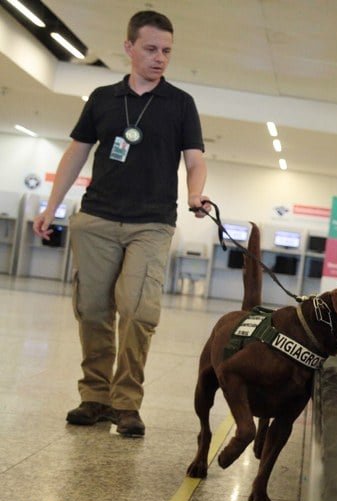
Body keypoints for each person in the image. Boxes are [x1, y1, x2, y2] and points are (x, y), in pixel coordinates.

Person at [33, 10, 211, 437]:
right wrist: (51, 206)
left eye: (167, 51)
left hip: (151, 223)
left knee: (137, 310)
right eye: (150, 49)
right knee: (92, 309)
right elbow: (76, 153)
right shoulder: (102, 99)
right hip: (95, 218)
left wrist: (194, 193)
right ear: (129, 47)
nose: (159, 58)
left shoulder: (180, 104)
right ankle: (94, 397)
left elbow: (195, 158)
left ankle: (126, 402)